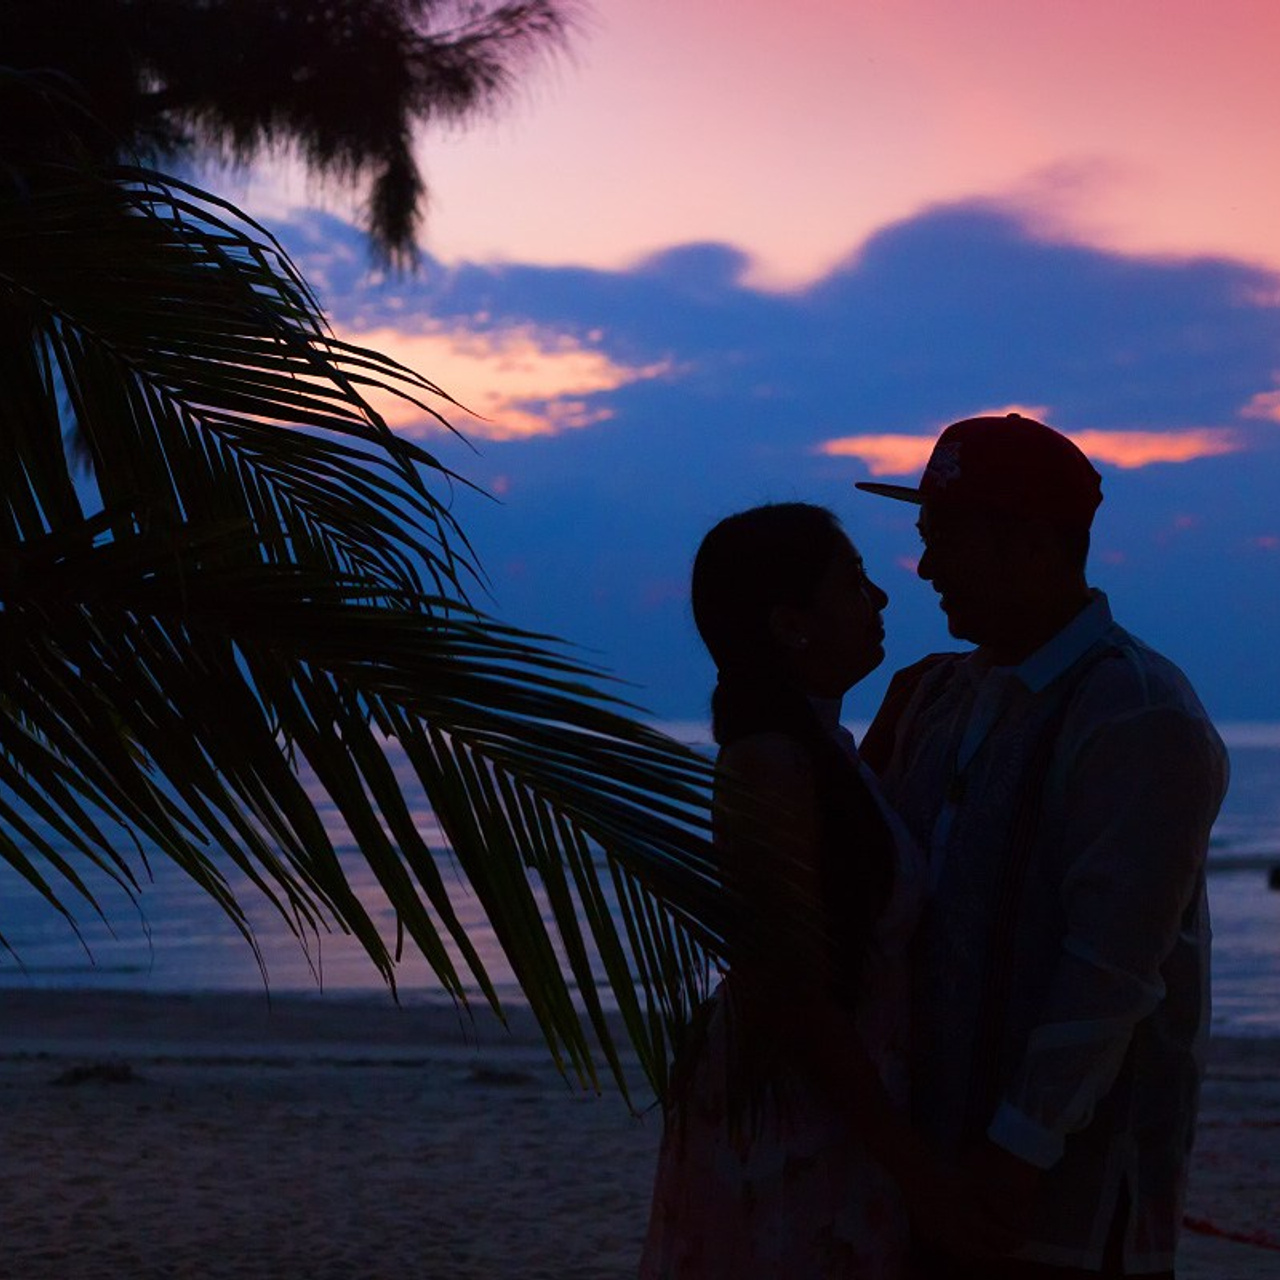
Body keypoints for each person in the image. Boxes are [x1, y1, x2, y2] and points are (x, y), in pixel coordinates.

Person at [856, 413, 1229, 1279]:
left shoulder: (1139, 715)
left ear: (1032, 546)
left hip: (1064, 1205)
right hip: (933, 1175)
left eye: (945, 539)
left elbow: (1112, 966)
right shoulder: (938, 697)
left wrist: (1018, 1151)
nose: (925, 568)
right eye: (925, 538)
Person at [639, 502, 993, 1280]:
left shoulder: (815, 750)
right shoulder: (768, 760)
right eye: (856, 582)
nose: (884, 599)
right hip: (804, 1123)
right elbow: (797, 993)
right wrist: (918, 1172)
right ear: (792, 624)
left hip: (835, 1114)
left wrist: (888, 734)